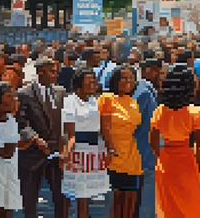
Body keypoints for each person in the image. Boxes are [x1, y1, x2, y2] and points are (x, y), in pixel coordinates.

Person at [150, 64, 200, 218]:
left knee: (168, 207)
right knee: (191, 206)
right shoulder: (196, 112)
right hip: (188, 163)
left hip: (166, 161)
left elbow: (153, 140)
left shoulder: (159, 110)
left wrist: (159, 156)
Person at [16, 56, 66, 218]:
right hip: (33, 153)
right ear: (40, 72)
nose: (55, 75)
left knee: (61, 198)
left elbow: (65, 122)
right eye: (52, 72)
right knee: (30, 199)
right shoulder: (24, 93)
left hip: (56, 153)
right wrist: (35, 139)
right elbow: (21, 122)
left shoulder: (61, 92)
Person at [60, 68, 109, 218]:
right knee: (78, 194)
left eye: (94, 79)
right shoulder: (69, 101)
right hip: (77, 151)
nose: (93, 82)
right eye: (89, 79)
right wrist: (66, 154)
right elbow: (70, 134)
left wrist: (107, 150)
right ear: (79, 83)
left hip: (94, 151)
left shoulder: (95, 100)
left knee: (87, 195)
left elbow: (101, 128)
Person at [98, 66, 142, 218]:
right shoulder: (107, 98)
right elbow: (104, 127)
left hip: (131, 156)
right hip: (113, 156)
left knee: (130, 200)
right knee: (115, 201)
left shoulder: (133, 101)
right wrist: (110, 149)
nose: (128, 81)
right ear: (115, 80)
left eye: (131, 77)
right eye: (124, 77)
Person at [133, 58, 162, 218]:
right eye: (158, 71)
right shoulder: (144, 92)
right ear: (148, 70)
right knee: (147, 198)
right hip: (144, 150)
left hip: (143, 151)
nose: (160, 75)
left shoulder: (144, 89)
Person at [0, 82, 25, 218]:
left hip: (9, 173)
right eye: (8, 97)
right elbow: (8, 151)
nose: (14, 100)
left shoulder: (11, 120)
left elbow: (11, 150)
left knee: (7, 211)